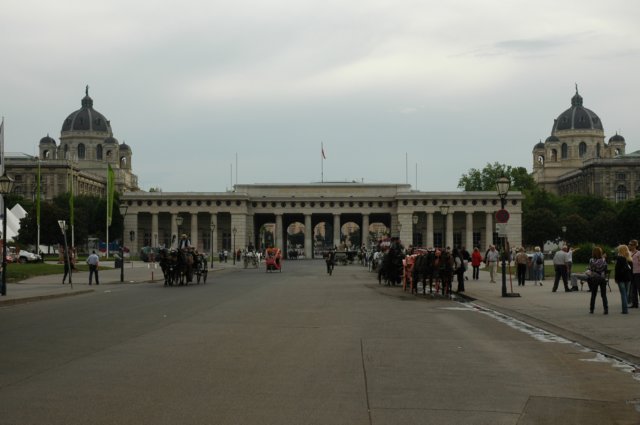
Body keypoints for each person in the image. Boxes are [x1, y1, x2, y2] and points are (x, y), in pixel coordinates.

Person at [587, 246, 608, 314]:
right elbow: (605, 269)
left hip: (594, 278)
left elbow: (590, 269)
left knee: (593, 294)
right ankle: (606, 309)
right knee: (603, 295)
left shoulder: (591, 260)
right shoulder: (603, 260)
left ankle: (591, 309)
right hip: (602, 278)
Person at [614, 244, 632, 314]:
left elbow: (617, 270)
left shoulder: (619, 259)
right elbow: (631, 269)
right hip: (628, 278)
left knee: (623, 294)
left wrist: (616, 278)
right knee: (626, 294)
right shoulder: (629, 258)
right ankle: (626, 308)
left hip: (621, 278)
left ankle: (625, 310)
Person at [629, 240, 640, 309]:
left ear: (635, 245)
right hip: (631, 273)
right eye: (629, 244)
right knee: (633, 289)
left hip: (638, 273)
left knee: (639, 288)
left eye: (631, 244)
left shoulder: (639, 253)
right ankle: (635, 304)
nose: (630, 245)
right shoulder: (629, 253)